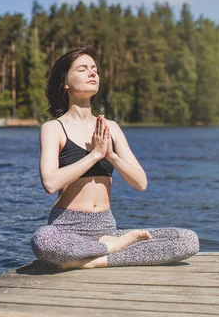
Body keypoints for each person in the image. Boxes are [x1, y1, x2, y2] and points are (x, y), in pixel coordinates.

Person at [31, 45, 199, 269]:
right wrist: (94, 156)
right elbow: (50, 183)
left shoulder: (111, 127)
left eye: (95, 69)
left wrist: (110, 155)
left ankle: (93, 259)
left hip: (107, 229)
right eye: (83, 69)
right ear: (66, 83)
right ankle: (113, 249)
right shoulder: (53, 128)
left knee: (187, 240)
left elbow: (140, 182)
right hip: (67, 227)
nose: (92, 73)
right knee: (43, 240)